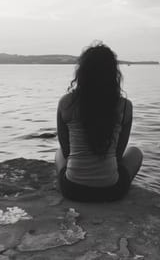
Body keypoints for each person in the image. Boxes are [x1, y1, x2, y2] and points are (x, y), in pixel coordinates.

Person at [55, 42, 143, 202]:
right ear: (113, 74)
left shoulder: (66, 102)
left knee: (58, 153)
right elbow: (118, 154)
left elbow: (66, 151)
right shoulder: (124, 106)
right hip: (111, 191)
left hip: (72, 190)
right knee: (135, 153)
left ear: (82, 72)